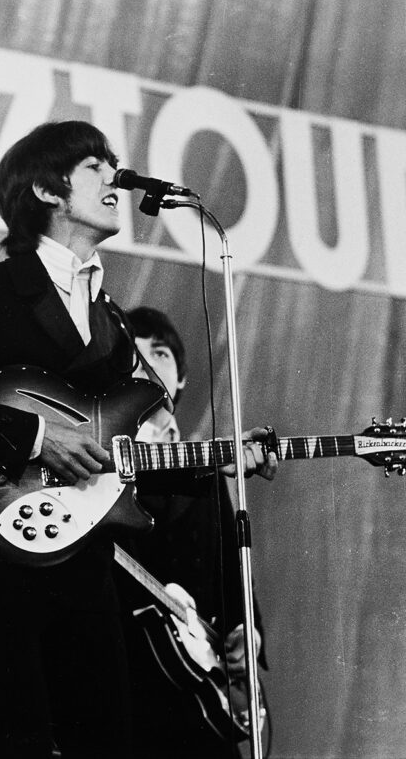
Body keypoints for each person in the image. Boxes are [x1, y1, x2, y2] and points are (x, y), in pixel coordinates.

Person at [0, 120, 276, 759]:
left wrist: (220, 461)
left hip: (85, 551)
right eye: (95, 166)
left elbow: (119, 456)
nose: (114, 177)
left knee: (105, 741)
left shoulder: (111, 320)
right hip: (0, 539)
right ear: (46, 189)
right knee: (26, 742)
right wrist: (36, 436)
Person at [114, 307, 269, 759]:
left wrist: (247, 637)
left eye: (158, 353)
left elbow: (234, 576)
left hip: (203, 698)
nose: (144, 363)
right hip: (130, 689)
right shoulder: (97, 464)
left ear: (181, 378)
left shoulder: (204, 470)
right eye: (131, 353)